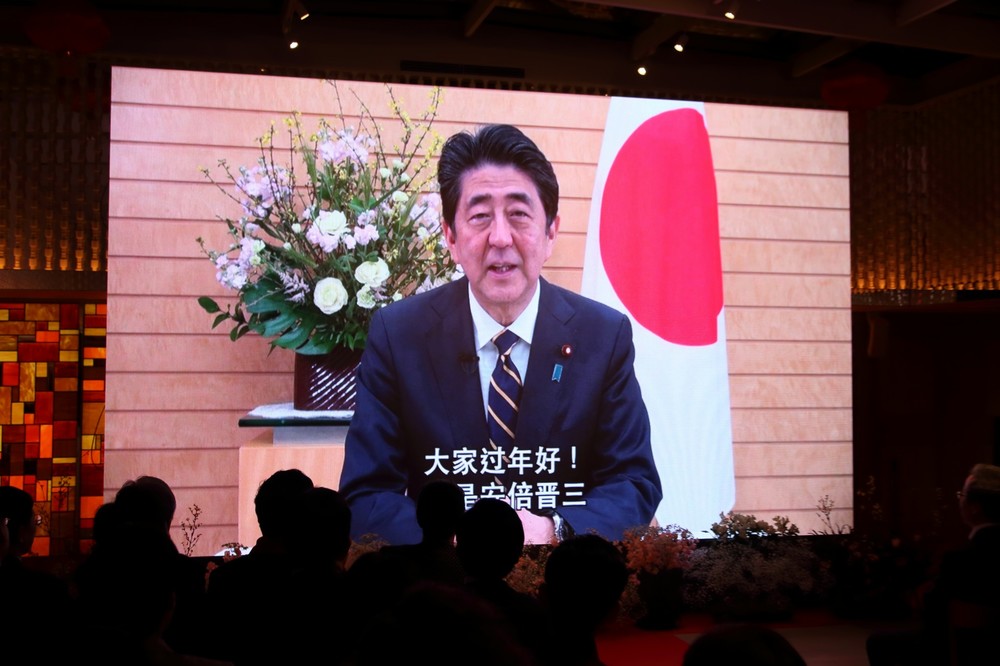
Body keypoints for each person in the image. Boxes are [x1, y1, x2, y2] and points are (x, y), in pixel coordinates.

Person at [340, 123, 662, 545]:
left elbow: (633, 482)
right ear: (451, 236)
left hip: (563, 572)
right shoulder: (399, 336)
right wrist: (457, 538)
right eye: (479, 217)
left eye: (518, 215)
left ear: (550, 231)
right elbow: (366, 494)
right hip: (443, 575)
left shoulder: (603, 336)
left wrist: (553, 531)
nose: (500, 238)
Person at [867, 463, 1000, 666]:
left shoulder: (960, 558)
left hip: (964, 651)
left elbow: (935, 615)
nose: (960, 500)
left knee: (878, 642)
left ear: (975, 507)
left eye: (962, 495)